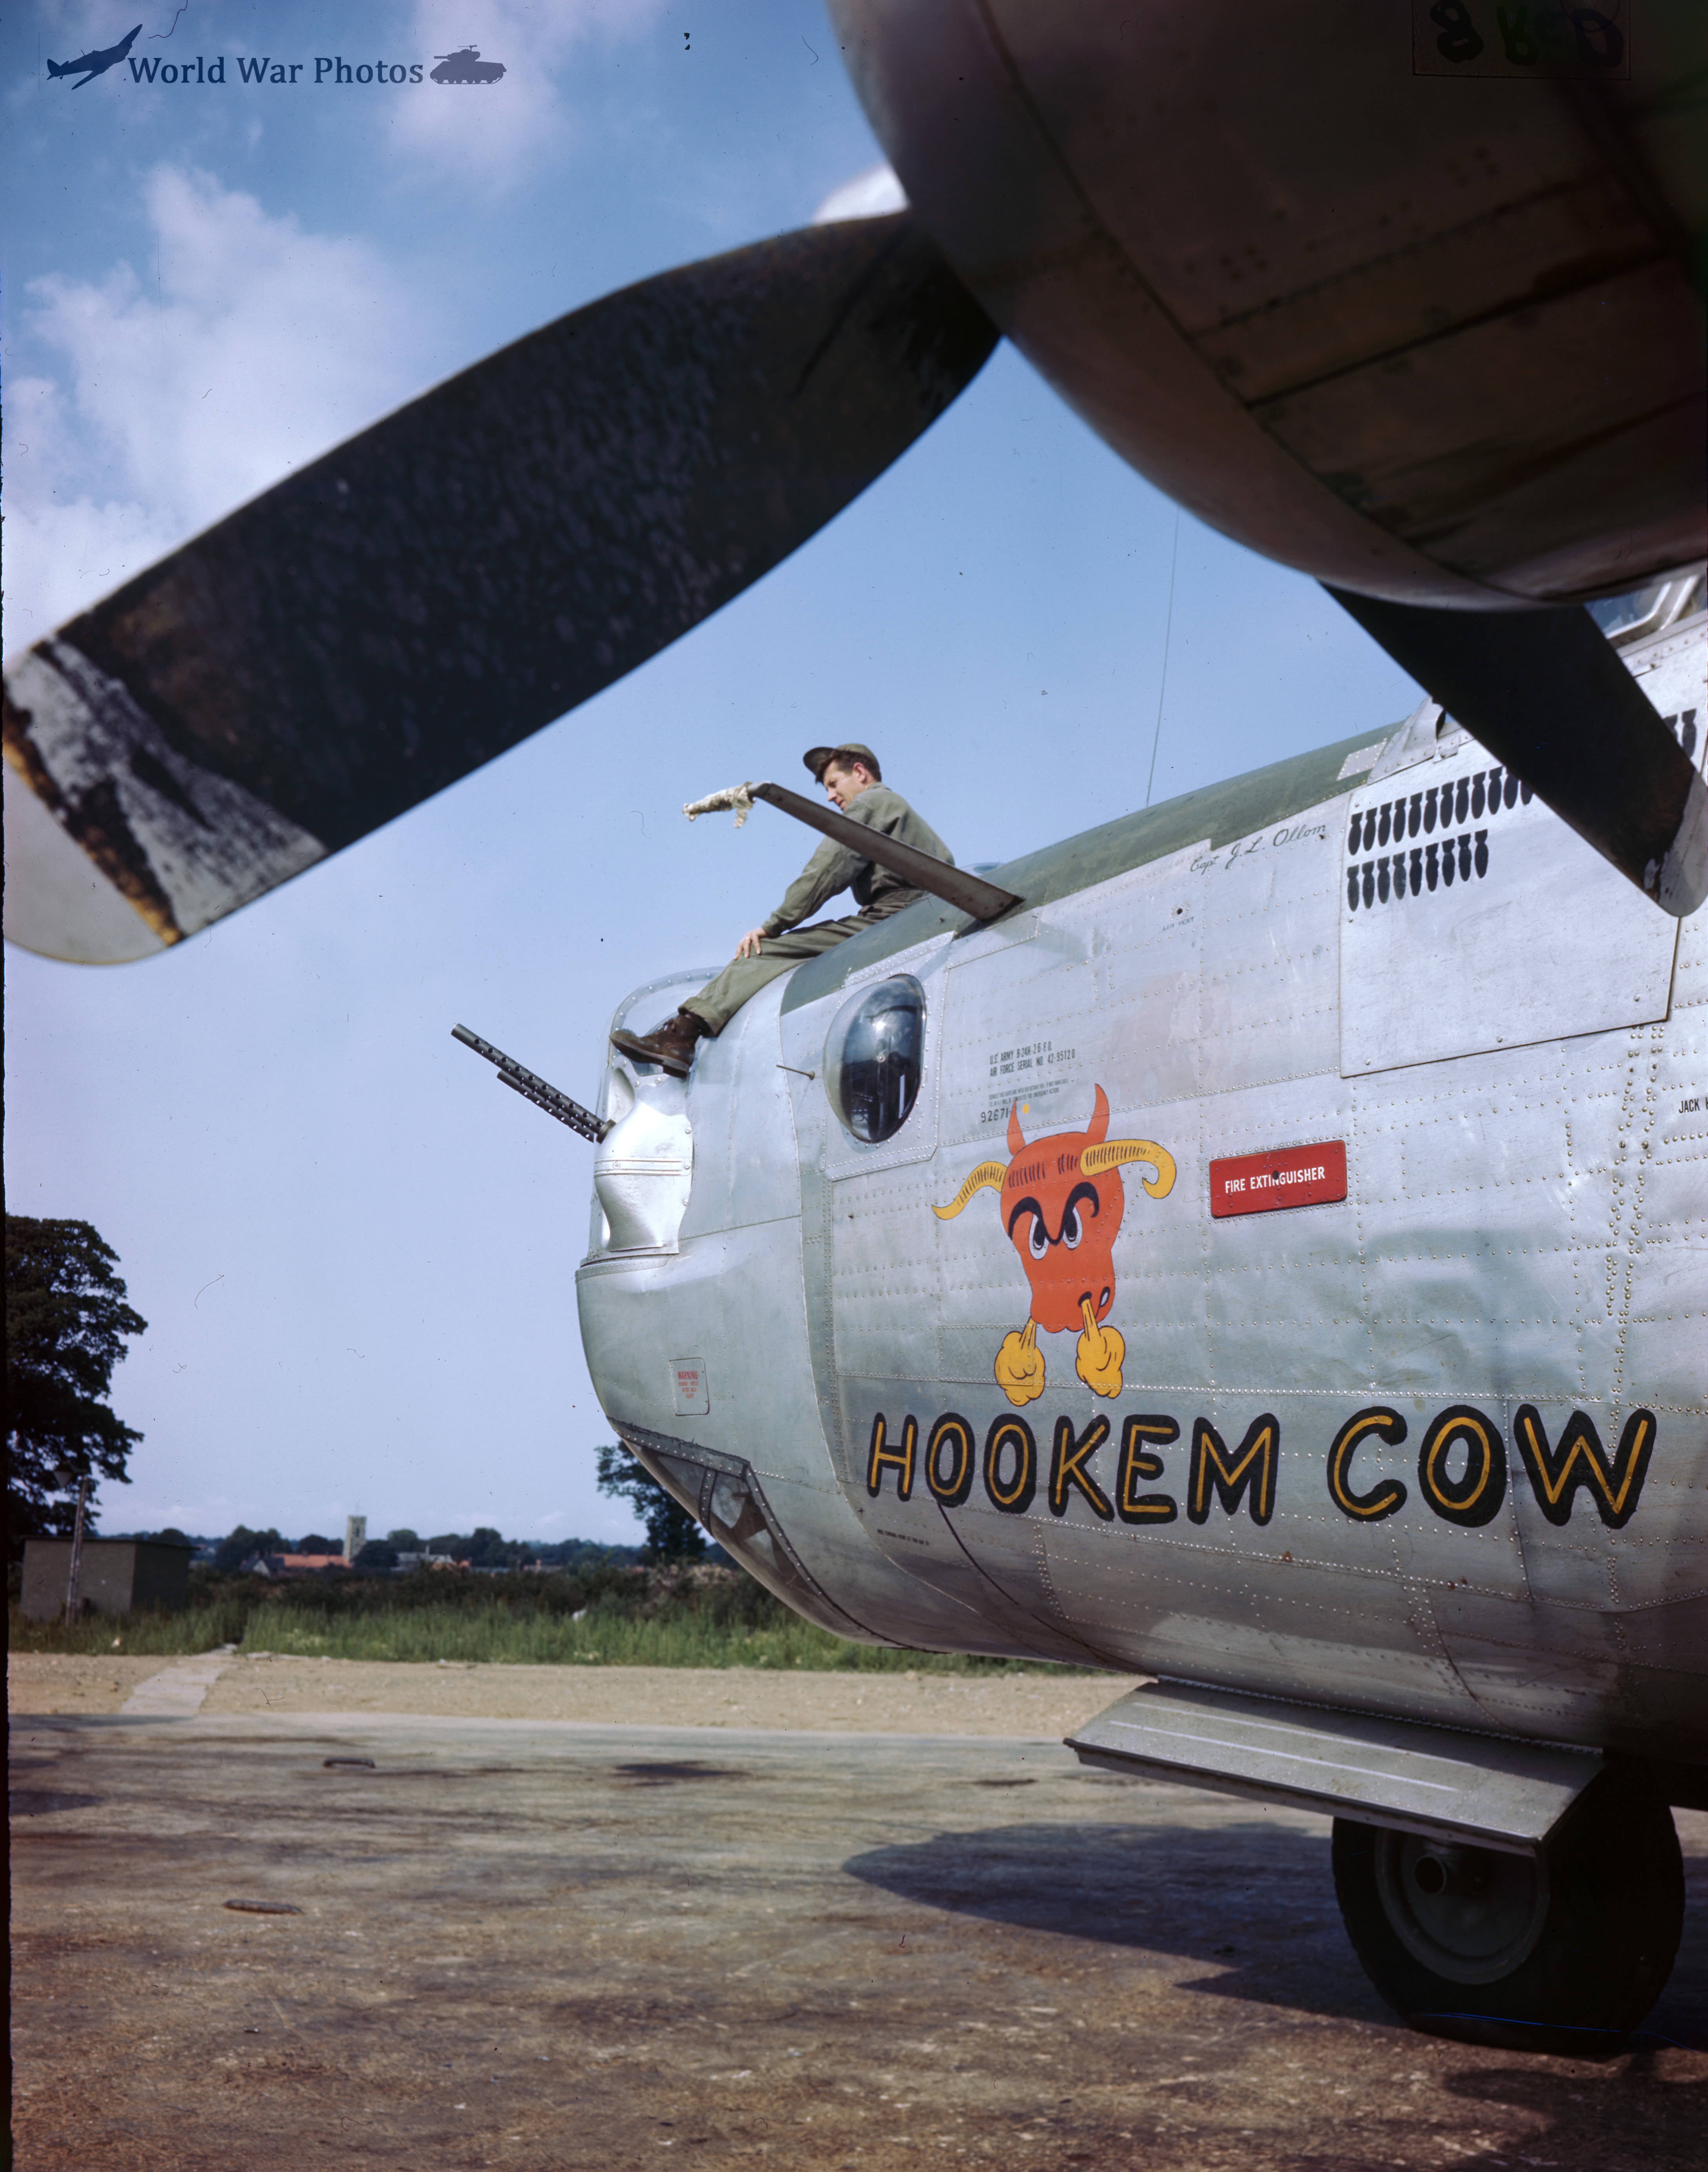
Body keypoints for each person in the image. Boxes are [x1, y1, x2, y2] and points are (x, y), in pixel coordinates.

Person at [610, 743, 954, 1076]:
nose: (831, 797)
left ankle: (681, 1036)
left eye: (834, 784)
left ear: (860, 773)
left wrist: (773, 927)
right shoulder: (897, 807)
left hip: (895, 914)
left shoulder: (870, 803)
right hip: (921, 910)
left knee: (763, 953)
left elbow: (827, 870)